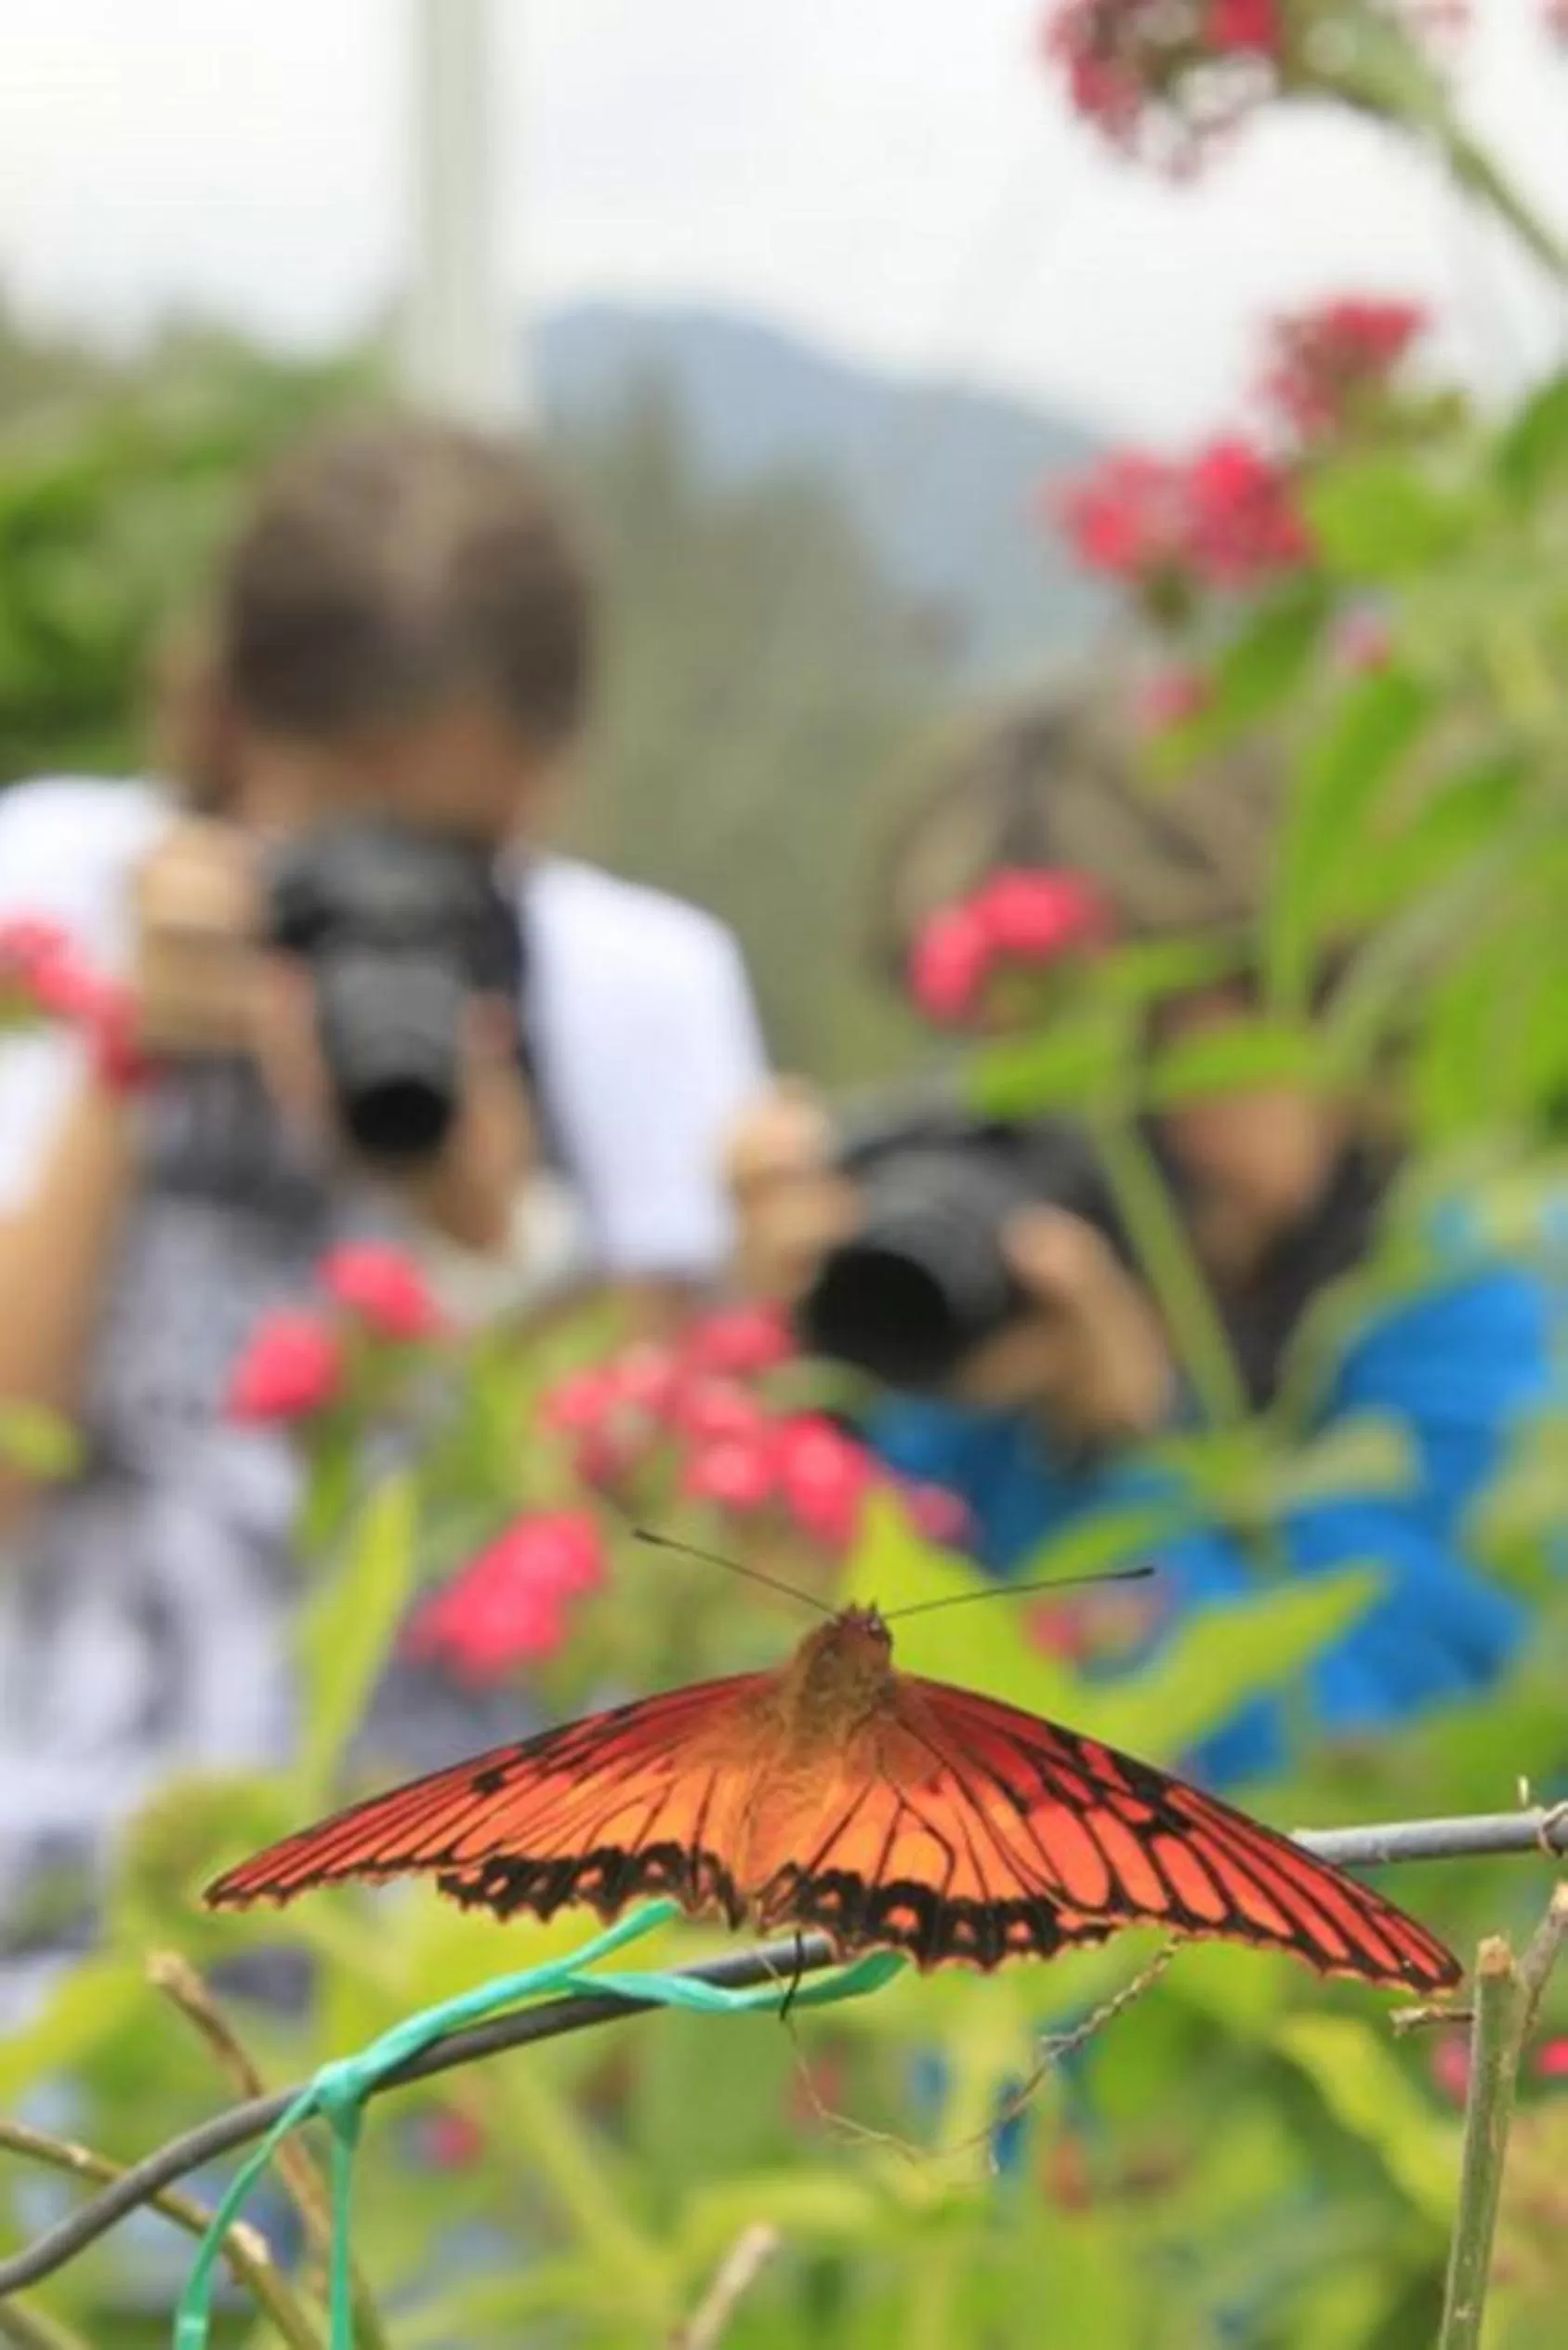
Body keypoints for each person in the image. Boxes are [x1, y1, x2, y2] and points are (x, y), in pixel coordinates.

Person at [0, 416, 766, 2015]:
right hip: (67, 1937)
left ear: (546, 780)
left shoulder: (636, 993)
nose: (395, 908)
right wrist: (120, 1061)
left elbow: (659, 1558)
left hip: (470, 1967)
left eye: (455, 856)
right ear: (228, 725)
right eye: (338, 849)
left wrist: (489, 1226)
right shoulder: (53, 894)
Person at [725, 680, 1559, 1787]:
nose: (1096, 1122)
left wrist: (1117, 1460)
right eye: (1019, 1057)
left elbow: (1365, 1802)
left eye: (1153, 1028)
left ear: (1311, 983)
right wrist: (788, 1399)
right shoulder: (985, 1342)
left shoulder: (1488, 1295)